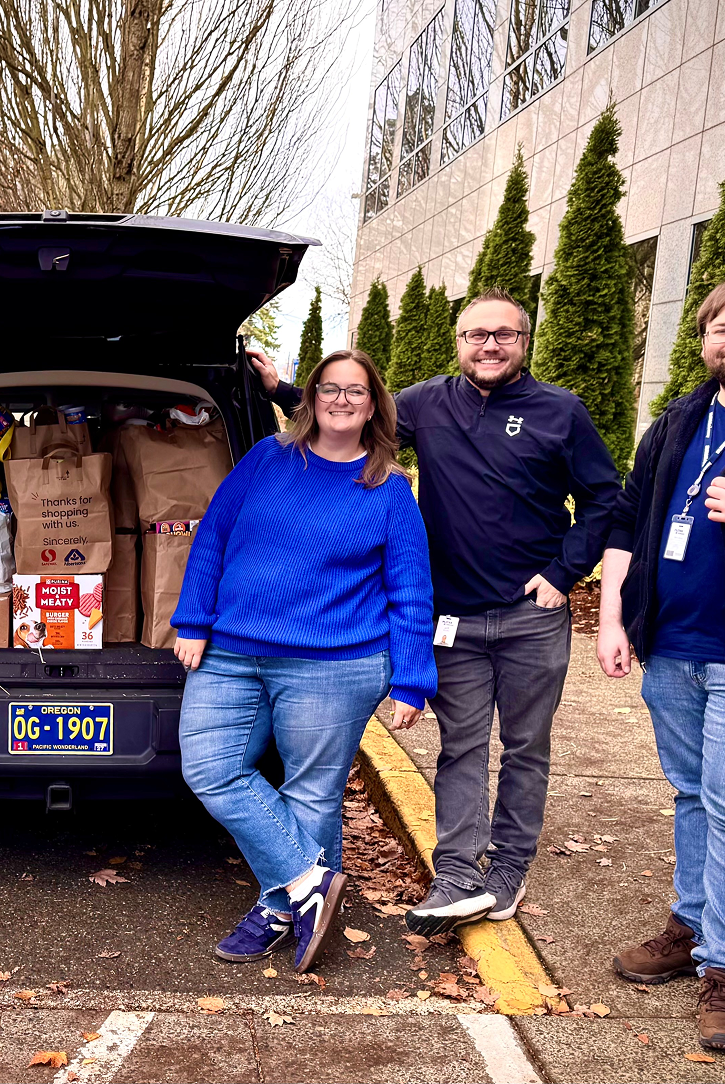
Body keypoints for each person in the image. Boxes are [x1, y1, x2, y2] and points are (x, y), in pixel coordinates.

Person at [253, 287, 622, 934]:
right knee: (462, 747)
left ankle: (507, 870)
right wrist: (286, 389)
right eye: (476, 335)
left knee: (527, 747)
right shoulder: (429, 402)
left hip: (532, 616)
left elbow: (603, 498)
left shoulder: (561, 412)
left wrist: (564, 574)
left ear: (523, 342)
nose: (488, 345)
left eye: (502, 335)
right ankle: (457, 874)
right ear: (460, 343)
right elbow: (353, 419)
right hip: (453, 616)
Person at [173, 348, 436, 973]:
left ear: (375, 407)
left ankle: (278, 909)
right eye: (330, 388)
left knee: (311, 792)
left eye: (357, 391)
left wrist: (412, 679)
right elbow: (214, 534)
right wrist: (191, 618)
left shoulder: (390, 490)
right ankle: (310, 883)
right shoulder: (267, 459)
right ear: (311, 398)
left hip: (335, 663)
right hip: (232, 650)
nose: (341, 399)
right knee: (209, 769)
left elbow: (411, 591)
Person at [596, 277, 725, 1055]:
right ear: (704, 340)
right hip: (670, 648)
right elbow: (627, 519)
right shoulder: (679, 419)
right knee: (692, 795)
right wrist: (614, 617)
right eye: (722, 330)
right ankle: (694, 922)